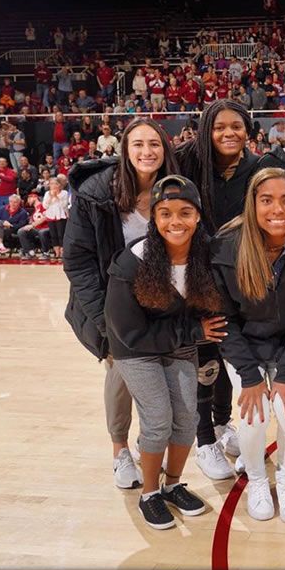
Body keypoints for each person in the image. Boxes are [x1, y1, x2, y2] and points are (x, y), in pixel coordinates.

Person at [63, 118, 179, 489]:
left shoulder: (174, 189)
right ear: (124, 150)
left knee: (160, 380)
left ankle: (150, 449)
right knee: (121, 374)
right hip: (112, 303)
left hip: (161, 302)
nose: (147, 152)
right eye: (138, 145)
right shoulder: (97, 194)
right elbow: (77, 261)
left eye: (155, 145)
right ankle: (119, 451)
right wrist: (103, 320)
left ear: (165, 150)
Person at [104, 175, 225, 529]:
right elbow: (129, 332)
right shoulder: (132, 262)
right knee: (158, 421)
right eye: (166, 213)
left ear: (198, 217)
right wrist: (193, 331)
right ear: (154, 218)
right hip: (134, 350)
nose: (176, 221)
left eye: (185, 212)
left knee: (187, 419)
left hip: (177, 344)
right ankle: (149, 493)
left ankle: (172, 485)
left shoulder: (207, 254)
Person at [210, 168, 285, 524]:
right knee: (253, 414)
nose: (278, 209)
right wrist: (248, 375)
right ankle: (258, 481)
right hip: (244, 348)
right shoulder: (226, 245)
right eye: (267, 200)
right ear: (253, 204)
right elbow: (224, 320)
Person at [176, 99, 266, 479]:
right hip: (197, 277)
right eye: (219, 127)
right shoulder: (187, 165)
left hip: (239, 278)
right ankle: (203, 441)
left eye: (236, 126)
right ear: (206, 131)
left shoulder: (259, 167)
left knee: (231, 355)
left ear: (248, 130)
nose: (229, 133)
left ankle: (221, 425)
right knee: (205, 358)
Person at [0, 194, 28, 259]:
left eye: (15, 202)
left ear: (19, 203)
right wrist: (4, 222)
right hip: (1, 228)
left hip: (13, 229)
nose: (13, 204)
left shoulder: (23, 212)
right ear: (9, 202)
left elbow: (22, 224)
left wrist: (10, 226)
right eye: (11, 201)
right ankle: (0, 246)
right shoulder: (2, 209)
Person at [42, 177, 69, 260]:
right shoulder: (47, 194)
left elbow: (64, 205)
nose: (53, 186)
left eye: (55, 184)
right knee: (54, 236)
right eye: (51, 184)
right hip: (51, 216)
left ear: (59, 185)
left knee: (61, 235)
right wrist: (51, 197)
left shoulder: (64, 193)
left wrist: (56, 196)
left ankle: (62, 252)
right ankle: (57, 253)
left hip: (61, 216)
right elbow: (45, 206)